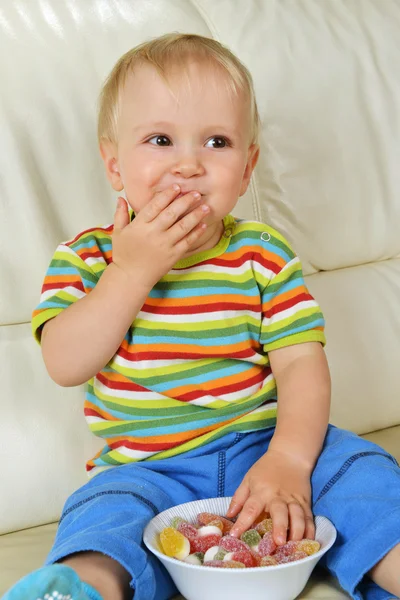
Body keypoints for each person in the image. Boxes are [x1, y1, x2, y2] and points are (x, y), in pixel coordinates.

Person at [4, 33, 400, 600]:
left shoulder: (262, 256)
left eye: (217, 141)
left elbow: (300, 365)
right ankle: (77, 589)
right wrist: (132, 271)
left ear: (246, 170)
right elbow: (65, 362)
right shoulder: (87, 260)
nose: (188, 164)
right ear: (115, 166)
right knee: (103, 519)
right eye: (160, 139)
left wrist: (289, 458)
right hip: (148, 470)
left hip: (266, 445)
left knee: (362, 475)